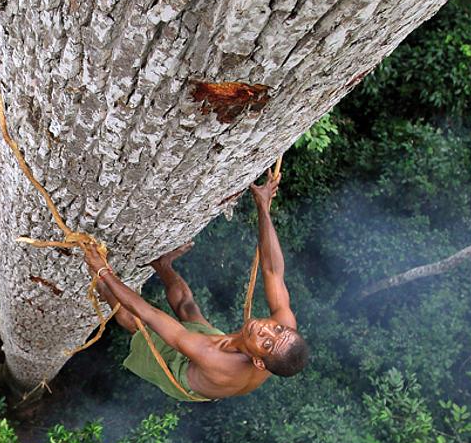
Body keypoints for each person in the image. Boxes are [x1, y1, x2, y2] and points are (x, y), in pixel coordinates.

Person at [81, 169, 309, 401]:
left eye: (267, 343)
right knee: (189, 310)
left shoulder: (215, 358)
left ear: (259, 361)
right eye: (277, 328)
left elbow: (149, 315)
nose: (266, 329)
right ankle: (162, 265)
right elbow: (273, 271)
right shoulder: (284, 329)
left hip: (188, 377)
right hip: (227, 351)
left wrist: (103, 271)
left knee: (139, 327)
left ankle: (101, 286)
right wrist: (263, 205)